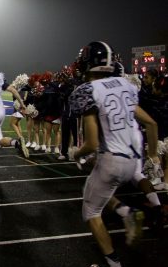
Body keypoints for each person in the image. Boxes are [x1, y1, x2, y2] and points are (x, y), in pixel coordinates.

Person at [69, 41, 160, 267]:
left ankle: (113, 261)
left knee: (91, 211)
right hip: (133, 159)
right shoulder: (125, 84)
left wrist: (75, 153)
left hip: (112, 159)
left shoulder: (89, 90)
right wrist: (154, 154)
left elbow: (90, 142)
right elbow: (150, 123)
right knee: (97, 187)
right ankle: (126, 211)